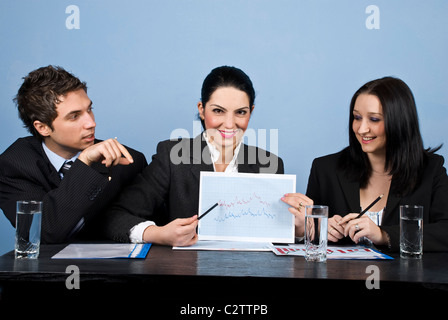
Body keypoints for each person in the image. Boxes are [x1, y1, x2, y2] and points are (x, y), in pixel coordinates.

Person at [103, 66, 295, 246]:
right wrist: (159, 234)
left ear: (251, 112)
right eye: (218, 111)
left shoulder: (270, 164)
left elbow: (275, 236)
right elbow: (115, 217)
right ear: (202, 110)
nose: (229, 124)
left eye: (240, 112)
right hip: (187, 274)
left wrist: (299, 228)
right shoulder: (172, 156)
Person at [0, 65, 147, 244]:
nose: (91, 122)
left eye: (89, 109)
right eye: (74, 116)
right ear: (43, 127)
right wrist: (84, 163)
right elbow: (43, 232)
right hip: (46, 271)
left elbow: (145, 228)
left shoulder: (127, 161)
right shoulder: (15, 165)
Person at [305, 76, 448, 251]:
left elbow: (444, 231)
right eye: (357, 117)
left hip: (405, 277)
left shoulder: (431, 170)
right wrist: (320, 229)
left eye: (374, 119)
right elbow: (307, 234)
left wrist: (384, 235)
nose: (361, 129)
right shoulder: (325, 169)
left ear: (399, 122)